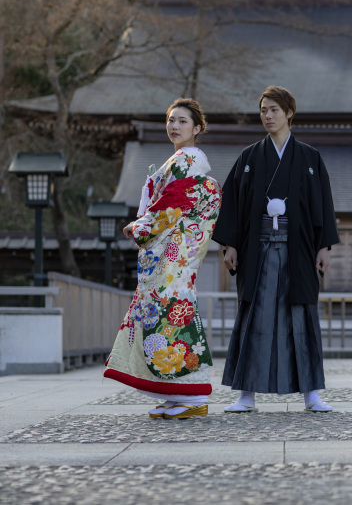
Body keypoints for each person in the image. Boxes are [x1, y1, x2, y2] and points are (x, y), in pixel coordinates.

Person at [213, 85, 339, 413]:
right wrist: (228, 244)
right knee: (255, 317)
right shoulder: (250, 157)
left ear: (289, 114)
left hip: (298, 251)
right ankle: (246, 395)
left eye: (274, 110)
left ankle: (311, 394)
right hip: (258, 252)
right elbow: (232, 204)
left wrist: (324, 245)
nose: (267, 116)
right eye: (263, 111)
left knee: (301, 317)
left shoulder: (310, 158)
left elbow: (323, 204)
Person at [104, 98, 221, 419]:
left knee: (172, 311)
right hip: (173, 253)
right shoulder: (179, 162)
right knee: (162, 312)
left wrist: (139, 226)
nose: (174, 126)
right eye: (171, 120)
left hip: (173, 254)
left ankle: (192, 393)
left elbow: (173, 201)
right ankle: (173, 391)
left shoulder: (185, 163)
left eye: (183, 121)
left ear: (198, 128)